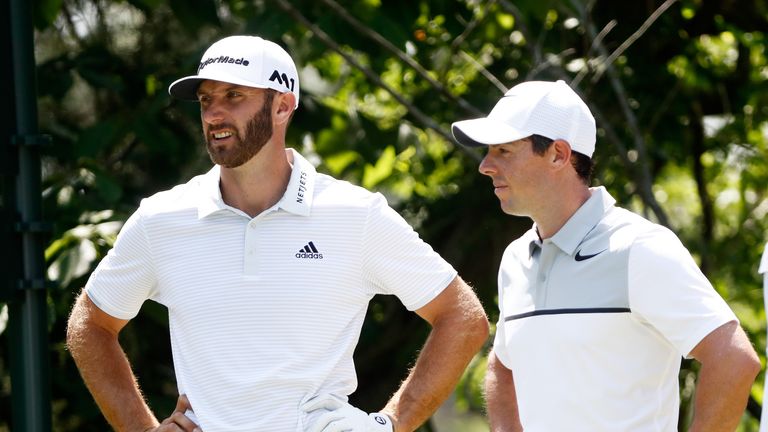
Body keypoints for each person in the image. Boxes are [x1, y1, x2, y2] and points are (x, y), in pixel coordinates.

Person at [66, 35, 489, 432]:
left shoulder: (355, 215)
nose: (214, 114)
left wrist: (392, 423)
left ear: (283, 107)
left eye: (234, 96)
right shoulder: (162, 219)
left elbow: (462, 318)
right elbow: (90, 324)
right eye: (206, 99)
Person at [450, 80, 760, 431]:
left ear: (558, 154)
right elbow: (502, 366)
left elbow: (733, 359)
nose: (485, 166)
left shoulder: (640, 249)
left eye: (504, 151)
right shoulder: (516, 258)